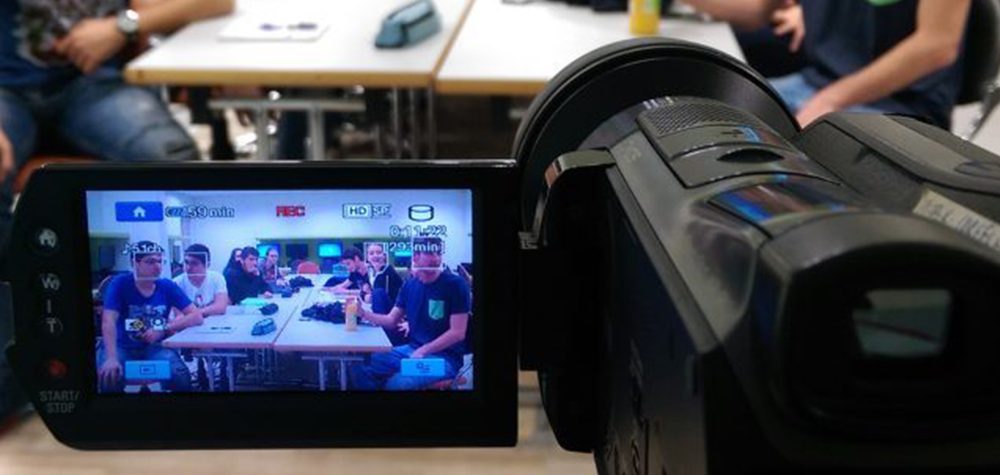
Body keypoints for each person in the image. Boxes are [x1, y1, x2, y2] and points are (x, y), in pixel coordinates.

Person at [0, 0, 236, 250]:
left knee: (174, 161)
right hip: (7, 90)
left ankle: (180, 264)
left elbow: (217, 2)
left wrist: (123, 26)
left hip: (96, 84)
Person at [680, 0, 971, 129]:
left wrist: (832, 99)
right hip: (816, 84)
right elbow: (757, 10)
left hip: (902, 106)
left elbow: (938, 45)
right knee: (693, 114)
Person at [351, 238, 471, 390]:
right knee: (360, 366)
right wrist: (363, 313)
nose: (436, 258)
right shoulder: (409, 285)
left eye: (438, 253)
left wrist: (424, 350)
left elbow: (457, 333)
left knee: (397, 383)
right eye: (430, 253)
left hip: (445, 360)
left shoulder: (455, 284)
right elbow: (391, 320)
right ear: (415, 257)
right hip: (413, 350)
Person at [96, 241, 203, 392]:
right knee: (109, 376)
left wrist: (163, 328)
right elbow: (109, 320)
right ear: (135, 263)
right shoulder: (120, 283)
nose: (157, 266)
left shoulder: (167, 286)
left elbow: (196, 316)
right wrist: (111, 357)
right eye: (150, 261)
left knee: (179, 375)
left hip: (154, 347)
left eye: (160, 261)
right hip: (120, 346)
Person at [173, 243, 229, 316]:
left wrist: (192, 313)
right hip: (189, 322)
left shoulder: (217, 278)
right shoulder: (177, 282)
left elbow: (221, 307)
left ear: (207, 265)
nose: (188, 267)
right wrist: (208, 310)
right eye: (186, 262)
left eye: (194, 263)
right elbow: (179, 314)